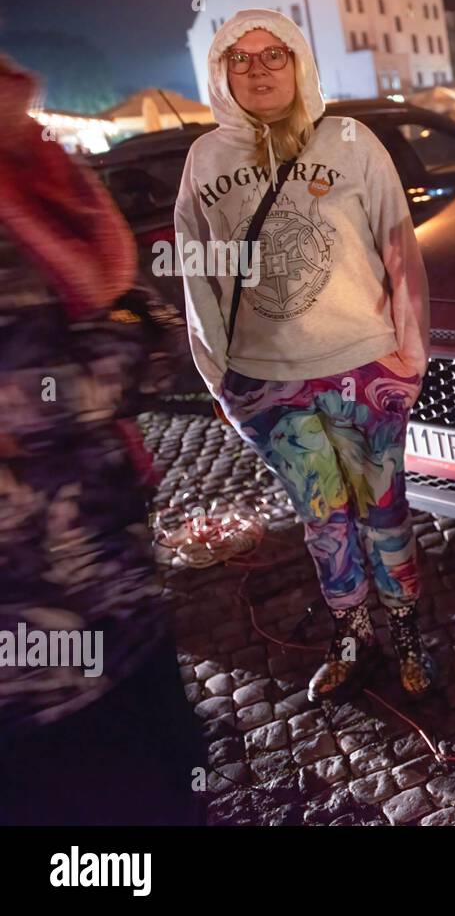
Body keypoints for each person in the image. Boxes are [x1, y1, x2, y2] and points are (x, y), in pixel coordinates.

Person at [175, 10, 435, 701]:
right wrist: (220, 375)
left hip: (366, 366)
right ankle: (352, 632)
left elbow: (400, 248)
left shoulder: (353, 141)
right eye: (241, 58)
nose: (259, 70)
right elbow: (197, 274)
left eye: (274, 56)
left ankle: (408, 629)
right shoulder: (205, 159)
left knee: (384, 510)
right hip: (266, 381)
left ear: (300, 64)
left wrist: (409, 356)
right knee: (323, 517)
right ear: (220, 71)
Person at [0, 55, 205, 824]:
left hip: (119, 599)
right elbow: (41, 398)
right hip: (30, 660)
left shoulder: (44, 180)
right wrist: (120, 336)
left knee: (170, 780)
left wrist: (120, 334)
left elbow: (150, 327)